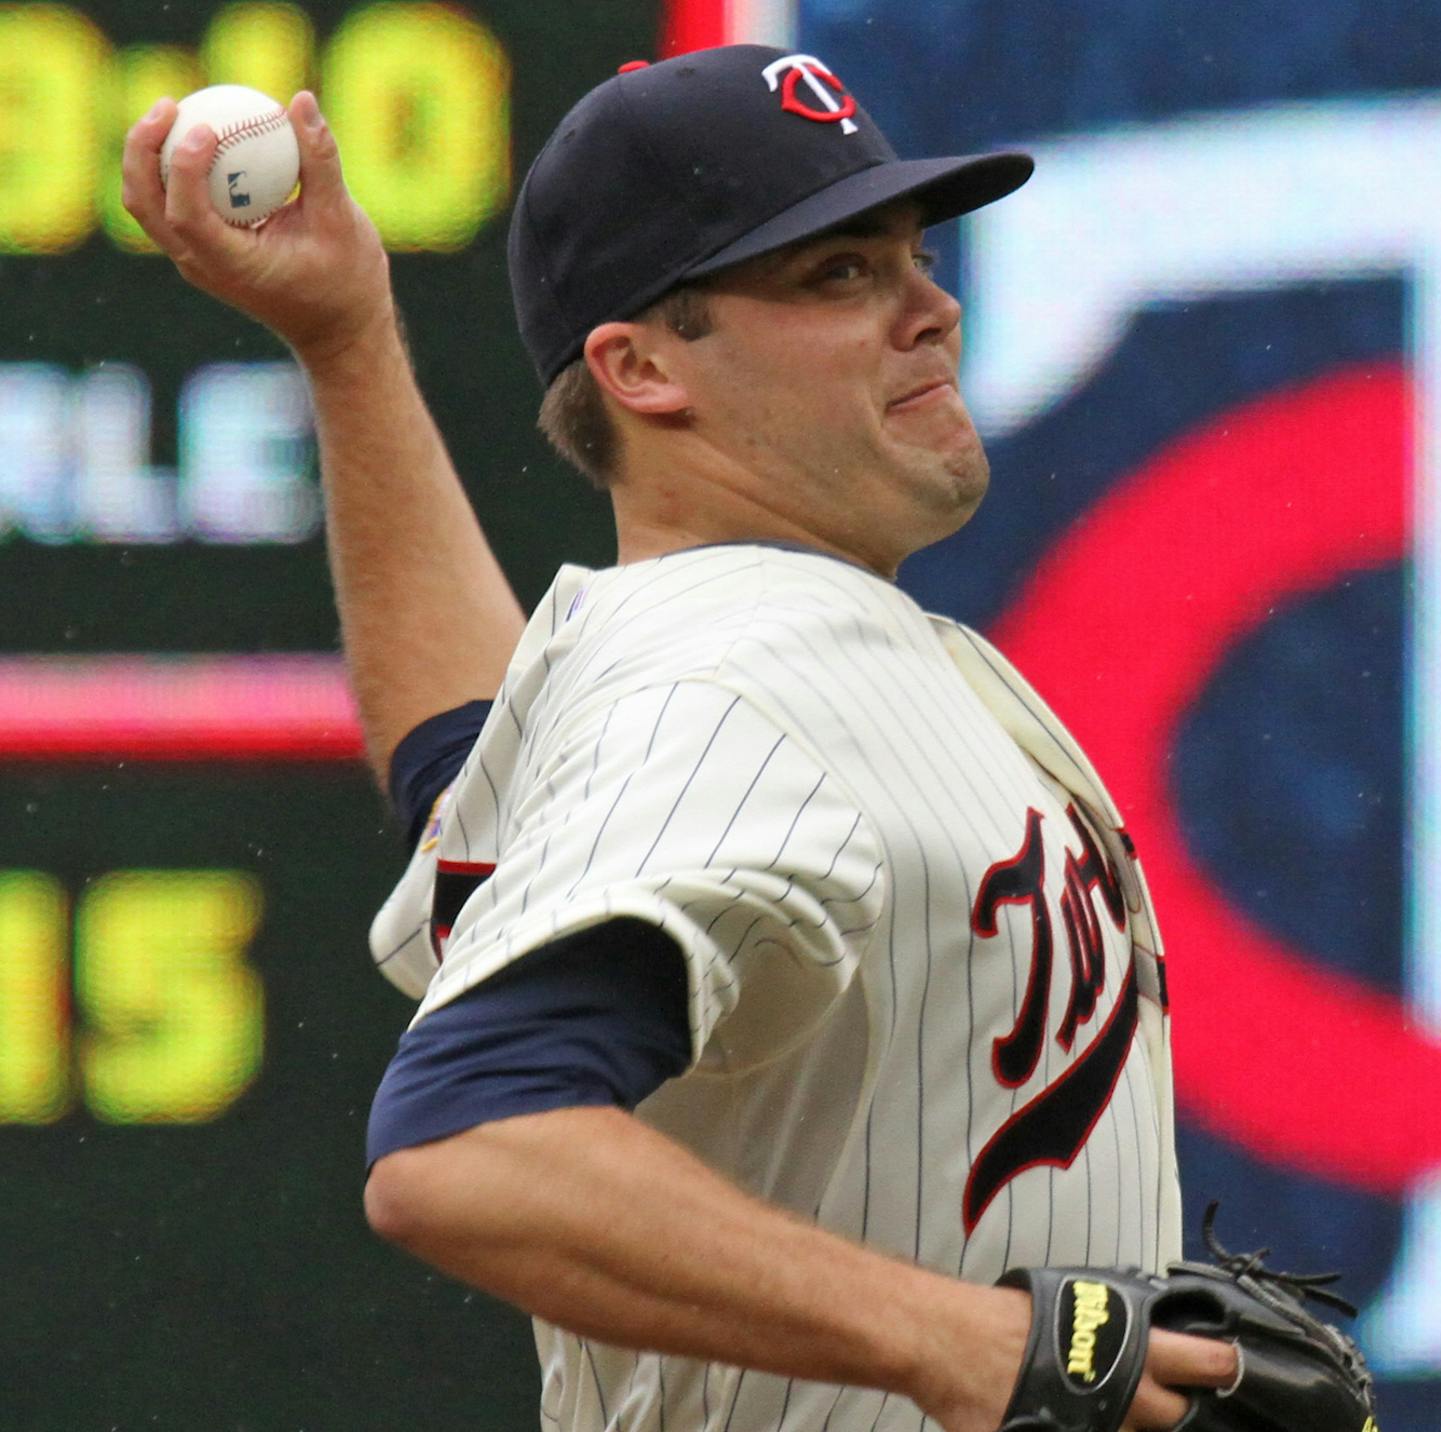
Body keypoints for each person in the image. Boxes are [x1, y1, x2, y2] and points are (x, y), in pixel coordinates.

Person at [120, 43, 1236, 1432]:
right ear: (643, 369)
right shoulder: (754, 673)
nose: (931, 310)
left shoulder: (722, 665)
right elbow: (469, 1146)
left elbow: (468, 786)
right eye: (840, 274)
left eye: (914, 256)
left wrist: (348, 343)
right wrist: (966, 1342)